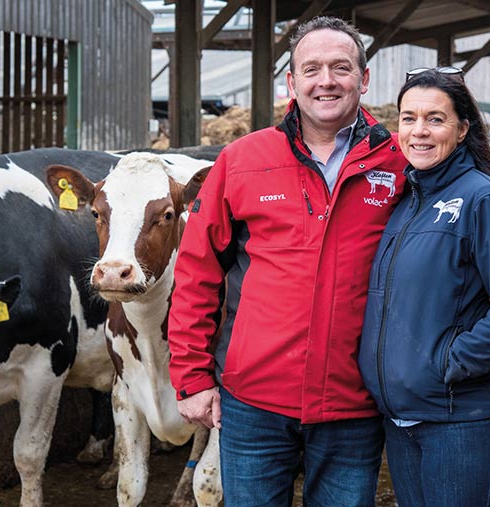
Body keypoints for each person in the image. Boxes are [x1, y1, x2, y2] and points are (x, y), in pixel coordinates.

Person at [167, 16, 408, 507]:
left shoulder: (401, 163)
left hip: (353, 404)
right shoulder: (242, 160)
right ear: (291, 82)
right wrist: (191, 376)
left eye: (341, 68)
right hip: (253, 400)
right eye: (311, 68)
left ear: (363, 80)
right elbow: (197, 270)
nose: (326, 81)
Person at [357, 67, 490, 507]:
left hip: (465, 422)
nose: (418, 131)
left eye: (435, 119)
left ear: (462, 129)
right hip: (405, 419)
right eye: (408, 118)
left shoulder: (484, 199)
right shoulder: (405, 201)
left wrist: (453, 361)